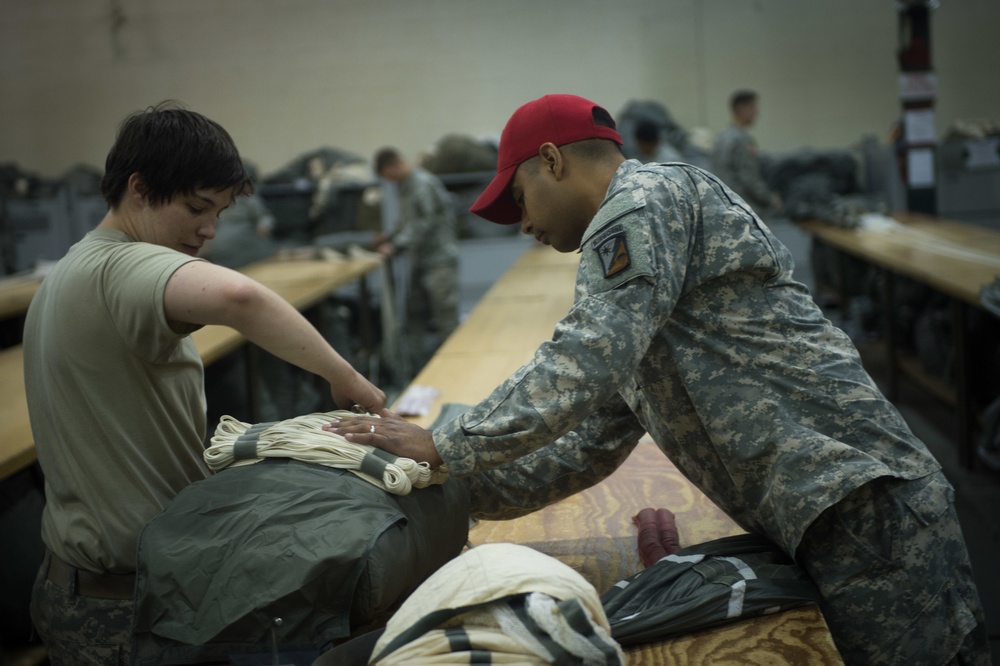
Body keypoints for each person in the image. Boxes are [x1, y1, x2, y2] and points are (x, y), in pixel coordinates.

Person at [328, 94, 990, 665]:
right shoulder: (648, 290)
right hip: (824, 512)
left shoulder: (642, 199)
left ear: (553, 159)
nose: (522, 223)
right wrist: (448, 491)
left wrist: (449, 441)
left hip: (864, 505)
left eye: (520, 198)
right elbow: (584, 446)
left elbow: (587, 351)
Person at [23, 102, 386, 665]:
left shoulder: (71, 272)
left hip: (89, 585)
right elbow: (239, 296)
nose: (209, 230)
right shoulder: (120, 266)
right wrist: (345, 376)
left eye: (217, 212)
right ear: (139, 189)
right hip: (122, 607)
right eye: (196, 208)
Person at [372, 147, 460, 370]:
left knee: (445, 318)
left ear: (395, 165)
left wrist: (396, 244)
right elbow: (407, 220)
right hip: (422, 261)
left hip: (438, 261)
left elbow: (424, 222)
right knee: (415, 317)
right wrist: (389, 236)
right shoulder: (405, 187)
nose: (389, 181)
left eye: (387, 175)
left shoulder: (422, 184)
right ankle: (423, 369)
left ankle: (457, 368)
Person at [712, 90, 782, 216]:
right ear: (740, 109)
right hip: (746, 208)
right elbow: (748, 177)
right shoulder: (742, 140)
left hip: (726, 206)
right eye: (752, 107)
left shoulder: (721, 139)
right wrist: (770, 198)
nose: (756, 112)